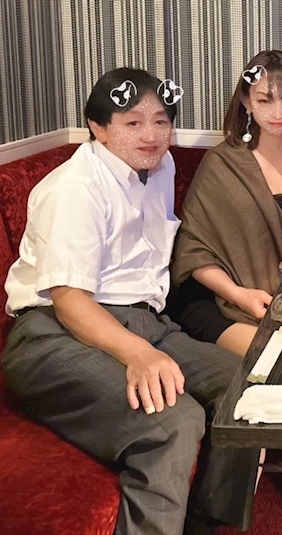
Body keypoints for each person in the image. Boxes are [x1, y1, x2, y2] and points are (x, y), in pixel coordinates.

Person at [1, 67, 259, 535]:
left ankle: (206, 522)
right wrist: (139, 354)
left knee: (246, 388)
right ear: (98, 128)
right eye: (133, 122)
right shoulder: (74, 188)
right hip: (53, 333)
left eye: (161, 121)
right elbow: (70, 301)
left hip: (143, 320)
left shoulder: (161, 168)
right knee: (173, 420)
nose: (151, 135)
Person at [167, 51, 282, 526]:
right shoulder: (222, 163)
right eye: (265, 99)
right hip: (220, 300)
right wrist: (239, 294)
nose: (277, 111)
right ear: (246, 102)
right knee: (281, 364)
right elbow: (193, 251)